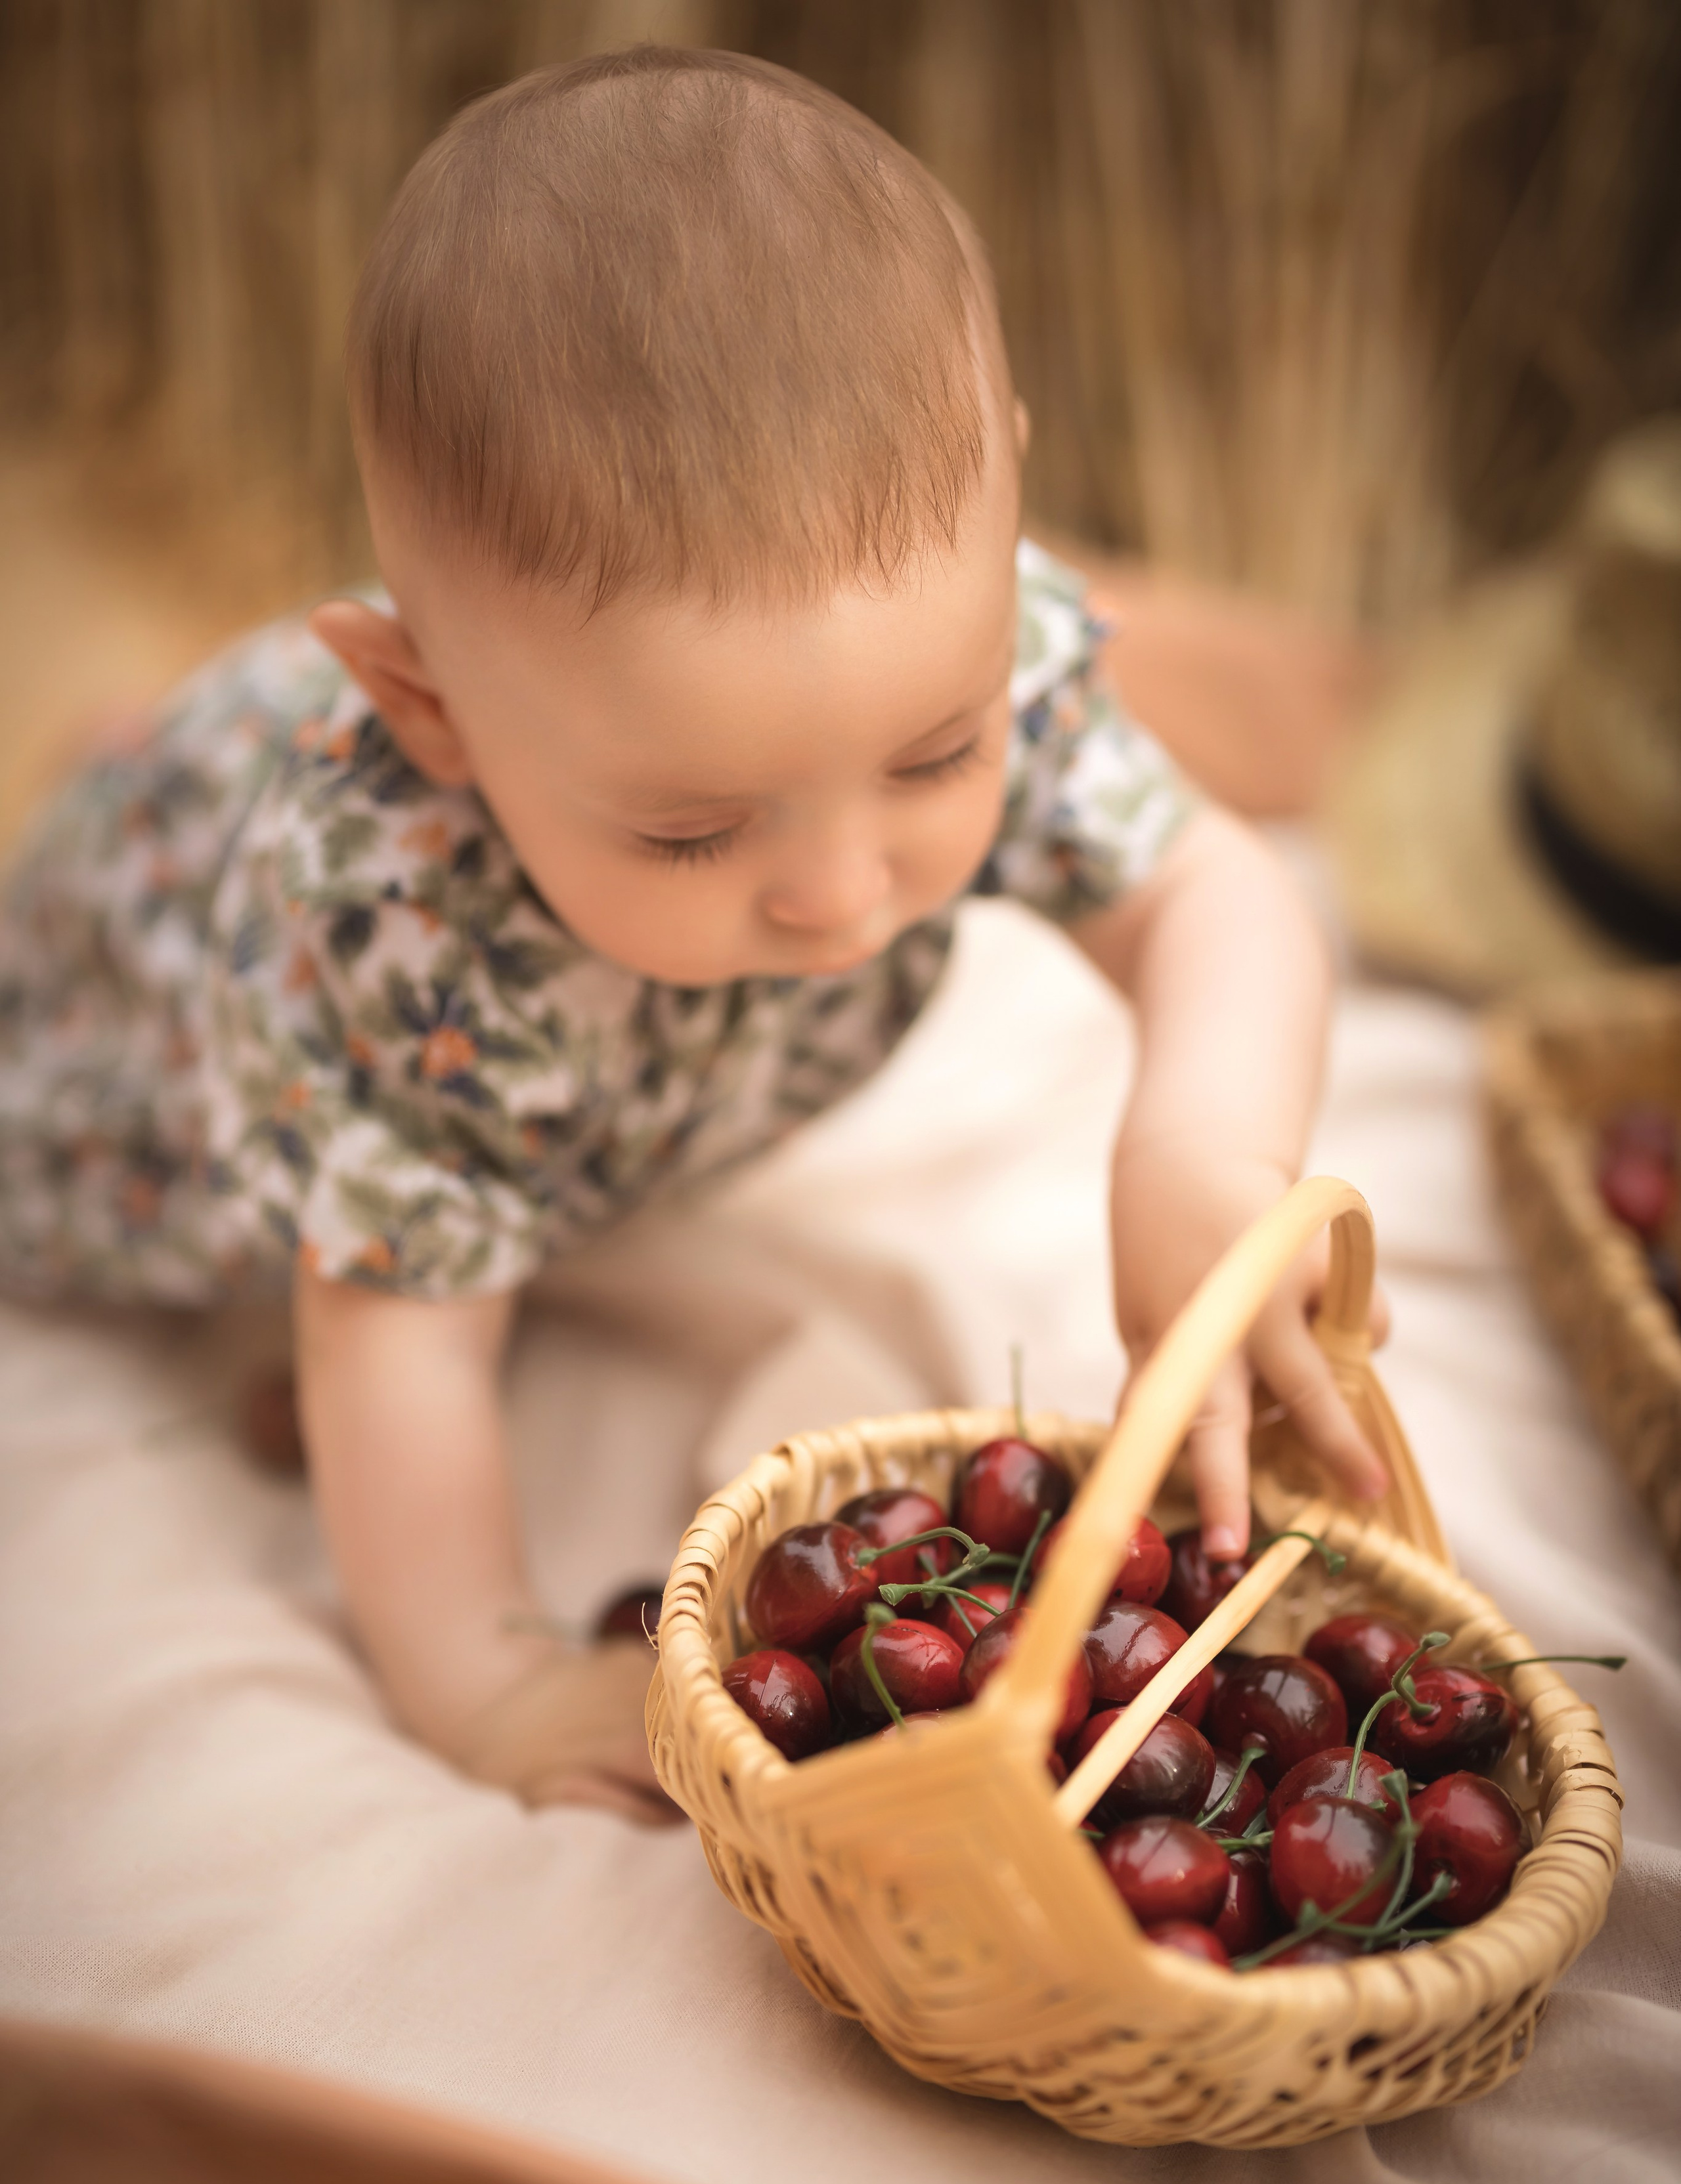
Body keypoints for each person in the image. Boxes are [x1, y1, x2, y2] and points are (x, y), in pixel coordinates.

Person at [0, 48, 1386, 1817]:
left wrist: (1203, 1132)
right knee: (372, 1250)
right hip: (160, 1024)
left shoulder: (977, 648)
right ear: (434, 715)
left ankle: (156, 749)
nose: (841, 888)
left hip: (569, 1047)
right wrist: (489, 1678)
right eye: (695, 827)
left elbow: (1214, 890)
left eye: (936, 757)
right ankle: (108, 788)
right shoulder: (384, 921)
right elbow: (394, 1346)